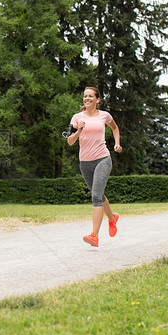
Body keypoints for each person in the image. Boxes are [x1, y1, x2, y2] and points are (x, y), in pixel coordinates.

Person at [66, 86, 122, 247]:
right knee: (99, 194)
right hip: (85, 163)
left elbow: (115, 128)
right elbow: (70, 142)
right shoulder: (77, 118)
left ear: (98, 99)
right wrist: (79, 131)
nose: (87, 98)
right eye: (85, 96)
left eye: (91, 96)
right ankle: (113, 219)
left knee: (96, 196)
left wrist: (117, 143)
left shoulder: (104, 116)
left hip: (102, 159)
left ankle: (94, 236)